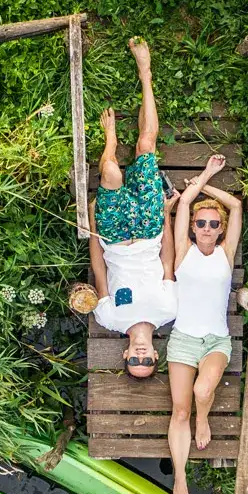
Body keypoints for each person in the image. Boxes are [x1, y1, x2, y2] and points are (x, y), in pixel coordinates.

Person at [88, 37, 180, 378]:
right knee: (146, 146)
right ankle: (145, 72)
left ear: (125, 354)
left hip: (112, 235)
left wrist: (93, 231)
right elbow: (167, 260)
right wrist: (166, 217)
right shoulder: (168, 310)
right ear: (156, 354)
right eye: (148, 362)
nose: (140, 357)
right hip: (148, 227)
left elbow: (99, 270)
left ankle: (110, 141)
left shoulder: (109, 317)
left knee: (110, 172)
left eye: (133, 361)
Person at [166, 154, 241, 494]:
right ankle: (180, 478)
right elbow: (182, 204)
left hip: (215, 340)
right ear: (193, 227)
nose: (207, 228)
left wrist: (207, 185)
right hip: (182, 340)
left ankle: (204, 417)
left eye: (213, 223)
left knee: (202, 389)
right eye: (201, 223)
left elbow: (237, 204)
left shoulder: (226, 253)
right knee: (178, 411)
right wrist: (205, 175)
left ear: (221, 229)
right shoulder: (184, 251)